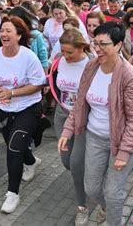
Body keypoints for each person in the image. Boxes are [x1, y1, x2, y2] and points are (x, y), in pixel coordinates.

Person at [58, 22, 133, 225]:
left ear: (118, 45)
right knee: (92, 189)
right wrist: (67, 130)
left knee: (114, 194)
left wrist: (124, 153)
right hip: (94, 137)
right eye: (95, 43)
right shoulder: (92, 66)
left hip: (121, 141)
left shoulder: (129, 77)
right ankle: (105, 207)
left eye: (103, 44)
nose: (97, 48)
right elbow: (80, 102)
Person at [0, 17, 46, 214]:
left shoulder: (28, 57)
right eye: (2, 30)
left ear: (19, 35)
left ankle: (13, 194)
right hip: (4, 109)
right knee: (16, 146)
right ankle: (31, 162)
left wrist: (12, 92)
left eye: (8, 31)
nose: (4, 34)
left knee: (13, 149)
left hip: (28, 108)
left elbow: (38, 84)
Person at [50, 28, 92, 225]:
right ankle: (88, 172)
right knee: (67, 161)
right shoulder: (59, 59)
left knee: (75, 164)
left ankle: (82, 206)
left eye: (70, 52)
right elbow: (53, 81)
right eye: (63, 51)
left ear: (81, 47)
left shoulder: (92, 63)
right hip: (62, 115)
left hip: (84, 119)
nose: (65, 55)